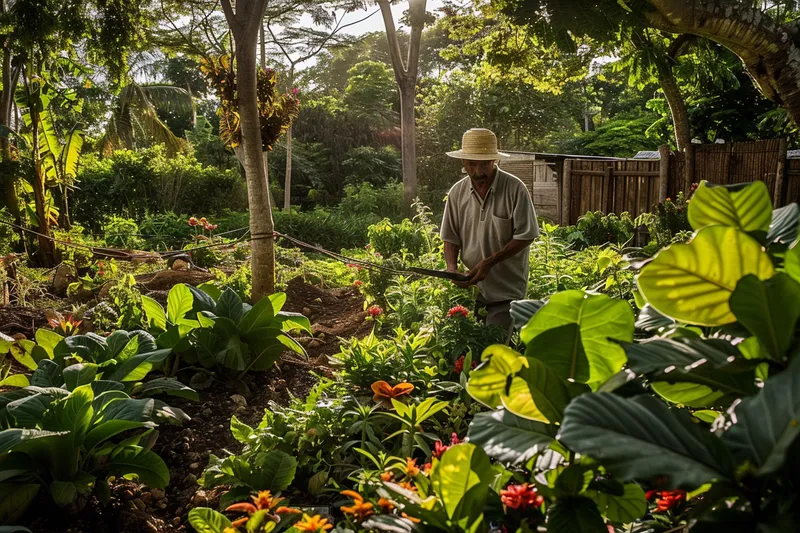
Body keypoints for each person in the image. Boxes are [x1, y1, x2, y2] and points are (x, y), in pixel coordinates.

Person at [440, 128, 539, 330]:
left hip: (506, 291)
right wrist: (451, 268)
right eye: (472, 164)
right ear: (464, 163)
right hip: (471, 290)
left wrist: (489, 262)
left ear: (495, 161)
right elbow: (450, 237)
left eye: (484, 164)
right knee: (469, 354)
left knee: (495, 351)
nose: (478, 172)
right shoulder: (457, 192)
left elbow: (526, 235)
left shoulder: (515, 189)